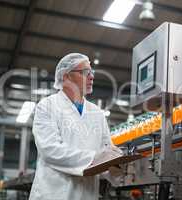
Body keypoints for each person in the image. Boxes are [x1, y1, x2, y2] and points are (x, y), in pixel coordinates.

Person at [29, 53, 123, 200]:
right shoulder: (47, 106)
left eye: (92, 72)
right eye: (85, 72)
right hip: (54, 194)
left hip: (87, 194)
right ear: (66, 76)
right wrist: (94, 158)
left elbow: (106, 152)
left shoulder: (97, 113)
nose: (91, 77)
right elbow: (50, 150)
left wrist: (117, 165)